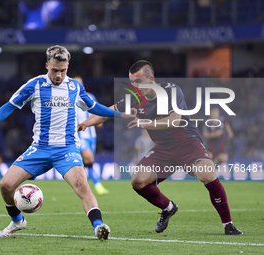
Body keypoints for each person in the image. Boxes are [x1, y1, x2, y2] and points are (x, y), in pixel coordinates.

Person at [0, 45, 133, 239]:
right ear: (47, 65)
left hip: (67, 149)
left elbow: (95, 108)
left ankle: (99, 226)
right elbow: (10, 105)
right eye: (54, 70)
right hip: (40, 148)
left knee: (82, 186)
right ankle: (17, 221)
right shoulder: (34, 85)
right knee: (5, 185)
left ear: (67, 66)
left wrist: (120, 114)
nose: (59, 75)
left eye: (63, 70)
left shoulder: (75, 87)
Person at [78, 60, 243, 235]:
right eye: (132, 81)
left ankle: (228, 224)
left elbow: (174, 120)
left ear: (151, 78)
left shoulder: (171, 90)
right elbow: (107, 113)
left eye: (139, 81)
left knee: (207, 174)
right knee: (138, 180)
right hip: (164, 148)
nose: (135, 86)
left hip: (187, 141)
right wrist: (85, 123)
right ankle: (168, 207)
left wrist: (145, 123)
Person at [73, 76, 109, 196]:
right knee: (89, 159)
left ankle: (84, 184)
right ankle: (97, 185)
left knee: (87, 162)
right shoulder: (69, 99)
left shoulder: (90, 97)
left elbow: (95, 110)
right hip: (79, 135)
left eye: (81, 84)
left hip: (91, 135)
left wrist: (100, 121)